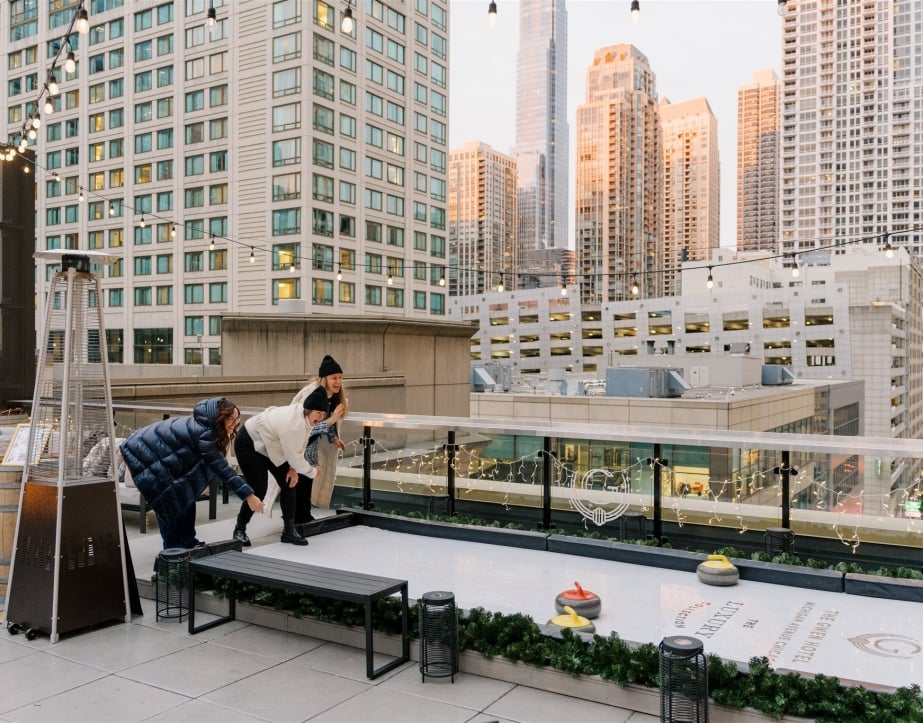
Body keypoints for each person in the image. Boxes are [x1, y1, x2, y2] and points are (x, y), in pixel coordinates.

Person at [120, 397, 263, 550]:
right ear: (220, 417)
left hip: (162, 458)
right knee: (168, 501)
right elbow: (221, 467)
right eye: (231, 419)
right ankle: (172, 551)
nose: (235, 424)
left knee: (186, 494)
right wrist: (249, 495)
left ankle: (188, 542)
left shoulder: (206, 424)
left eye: (237, 419)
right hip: (144, 454)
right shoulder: (204, 432)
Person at [233, 389, 343, 546]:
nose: (320, 416)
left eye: (323, 413)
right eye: (317, 412)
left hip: (271, 445)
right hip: (249, 442)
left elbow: (300, 447)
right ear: (308, 410)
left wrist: (292, 468)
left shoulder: (308, 420)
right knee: (258, 489)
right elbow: (296, 458)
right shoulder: (294, 424)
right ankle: (239, 529)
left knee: (289, 480)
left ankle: (289, 531)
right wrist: (312, 471)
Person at [291, 354, 349, 522]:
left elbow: (323, 420)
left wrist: (333, 438)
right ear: (325, 379)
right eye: (334, 378)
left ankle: (303, 516)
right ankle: (296, 518)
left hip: (310, 443)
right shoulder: (313, 394)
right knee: (301, 479)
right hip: (300, 442)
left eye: (340, 378)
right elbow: (309, 426)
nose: (338, 382)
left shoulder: (330, 396)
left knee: (307, 479)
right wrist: (333, 420)